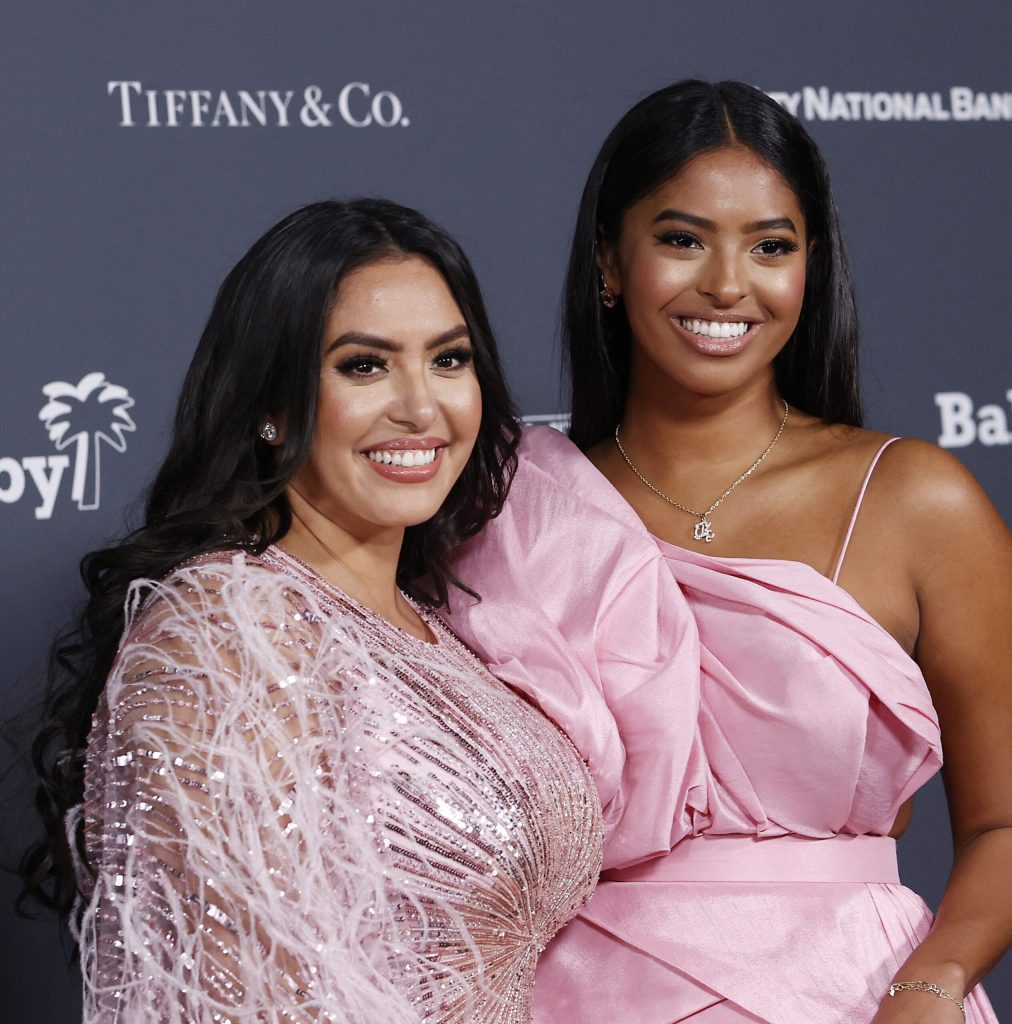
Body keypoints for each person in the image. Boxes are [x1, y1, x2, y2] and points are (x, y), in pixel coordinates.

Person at [443, 81, 1012, 1023]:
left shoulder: (915, 499)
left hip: (858, 1003)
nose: (726, 284)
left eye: (771, 246)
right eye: (683, 240)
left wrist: (933, 983)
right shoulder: (508, 514)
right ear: (609, 261)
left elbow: (1009, 823)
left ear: (810, 268)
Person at [19, 198, 603, 1023]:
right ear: (273, 405)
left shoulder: (435, 626)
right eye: (365, 366)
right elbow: (240, 997)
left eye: (449, 359)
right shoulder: (230, 632)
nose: (421, 406)